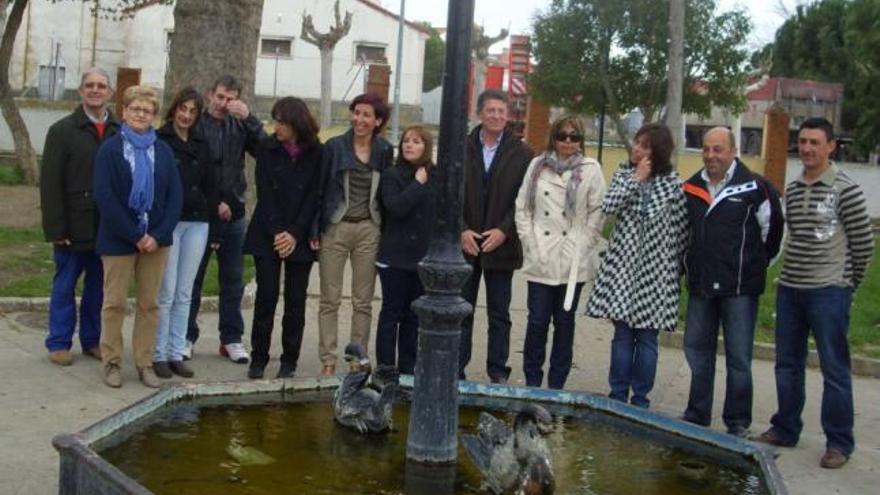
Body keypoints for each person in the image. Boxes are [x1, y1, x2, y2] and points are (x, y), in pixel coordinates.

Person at [755, 118, 874, 469]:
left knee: (835, 369)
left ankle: (839, 442)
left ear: (830, 146)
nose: (807, 148)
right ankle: (785, 427)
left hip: (829, 291)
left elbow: (864, 244)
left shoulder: (845, 189)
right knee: (787, 365)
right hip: (791, 288)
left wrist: (848, 282)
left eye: (815, 142)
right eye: (803, 141)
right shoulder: (793, 189)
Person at [680, 127, 784, 437]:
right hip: (700, 286)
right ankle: (697, 414)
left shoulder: (756, 187)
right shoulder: (691, 187)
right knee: (697, 352)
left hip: (740, 290)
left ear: (733, 151)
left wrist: (753, 265)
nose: (711, 155)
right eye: (707, 149)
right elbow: (684, 234)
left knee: (739, 359)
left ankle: (737, 422)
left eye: (718, 149)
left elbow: (774, 234)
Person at [586, 123, 688, 408]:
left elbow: (681, 232)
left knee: (646, 338)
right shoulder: (623, 175)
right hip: (623, 271)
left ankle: (640, 398)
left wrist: (671, 271)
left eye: (644, 145)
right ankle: (618, 394)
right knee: (621, 335)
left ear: (657, 151)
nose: (636, 148)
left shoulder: (673, 185)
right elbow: (609, 207)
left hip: (656, 274)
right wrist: (636, 180)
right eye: (636, 142)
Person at [93, 85, 183, 388]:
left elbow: (174, 198)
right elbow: (105, 197)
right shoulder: (110, 149)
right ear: (125, 112)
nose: (141, 114)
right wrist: (135, 235)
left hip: (156, 242)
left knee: (149, 304)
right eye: (135, 109)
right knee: (114, 303)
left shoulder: (164, 151)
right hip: (119, 239)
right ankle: (112, 362)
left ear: (154, 116)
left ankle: (144, 363)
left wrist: (156, 235)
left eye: (147, 110)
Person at [514, 115, 605, 389]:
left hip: (572, 259)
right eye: (562, 136)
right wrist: (530, 243)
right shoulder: (536, 165)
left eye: (574, 136)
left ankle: (556, 386)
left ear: (581, 141)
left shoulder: (591, 169)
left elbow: (597, 213)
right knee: (537, 322)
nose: (567, 141)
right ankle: (532, 381)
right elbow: (523, 208)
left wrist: (581, 245)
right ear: (553, 137)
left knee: (564, 324)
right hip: (541, 255)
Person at [40, 68, 120, 366]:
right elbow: (50, 184)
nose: (95, 90)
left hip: (106, 228)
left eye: (101, 86)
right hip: (72, 226)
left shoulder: (119, 129)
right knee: (64, 286)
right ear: (81, 91)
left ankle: (91, 340)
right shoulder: (62, 131)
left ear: (109, 92)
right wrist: (56, 227)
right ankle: (59, 342)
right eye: (90, 85)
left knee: (98, 289)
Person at [186, 75, 265, 364]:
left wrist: (252, 120)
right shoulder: (196, 124)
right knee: (193, 278)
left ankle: (231, 338)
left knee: (232, 280)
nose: (224, 103)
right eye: (220, 97)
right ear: (210, 95)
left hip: (235, 213)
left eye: (230, 99)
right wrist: (213, 203)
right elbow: (193, 170)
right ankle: (186, 335)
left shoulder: (240, 124)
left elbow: (267, 151)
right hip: (201, 214)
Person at [313, 93, 393, 377]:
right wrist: (315, 228)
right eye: (356, 113)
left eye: (366, 115)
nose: (359, 119)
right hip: (336, 226)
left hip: (368, 228)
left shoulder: (384, 150)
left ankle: (357, 360)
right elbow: (319, 189)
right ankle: (328, 359)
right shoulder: (334, 147)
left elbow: (386, 193)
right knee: (329, 298)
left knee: (363, 300)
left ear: (378, 121)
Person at [243, 97, 322, 380]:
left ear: (296, 123)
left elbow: (315, 195)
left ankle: (289, 359)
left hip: (298, 236)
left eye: (281, 122)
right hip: (268, 232)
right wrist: (278, 232)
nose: (276, 127)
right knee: (266, 297)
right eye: (274, 121)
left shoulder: (316, 152)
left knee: (295, 301)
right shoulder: (267, 148)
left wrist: (295, 233)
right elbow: (265, 192)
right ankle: (259, 357)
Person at [460, 89, 533, 383]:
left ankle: (497, 371)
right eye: (491, 110)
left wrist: (505, 230)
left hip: (502, 245)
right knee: (461, 311)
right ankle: (457, 368)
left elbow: (526, 199)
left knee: (499, 314)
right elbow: (447, 193)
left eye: (502, 112)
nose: (497, 116)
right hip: (466, 244)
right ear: (480, 113)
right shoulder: (461, 147)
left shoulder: (523, 153)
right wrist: (461, 229)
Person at [151, 87, 218, 380]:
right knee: (166, 291)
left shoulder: (202, 144)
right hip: (170, 222)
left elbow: (211, 183)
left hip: (198, 222)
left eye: (193, 111)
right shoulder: (160, 140)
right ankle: (159, 353)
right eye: (183, 109)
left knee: (185, 290)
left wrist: (212, 212)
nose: (186, 116)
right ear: (174, 108)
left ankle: (177, 351)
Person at [374, 125, 436, 377]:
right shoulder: (391, 175)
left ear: (426, 147)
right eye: (406, 141)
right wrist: (417, 184)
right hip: (395, 258)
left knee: (413, 317)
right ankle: (386, 368)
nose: (409, 145)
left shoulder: (436, 175)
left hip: (421, 259)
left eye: (416, 141)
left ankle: (408, 369)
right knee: (391, 314)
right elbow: (396, 208)